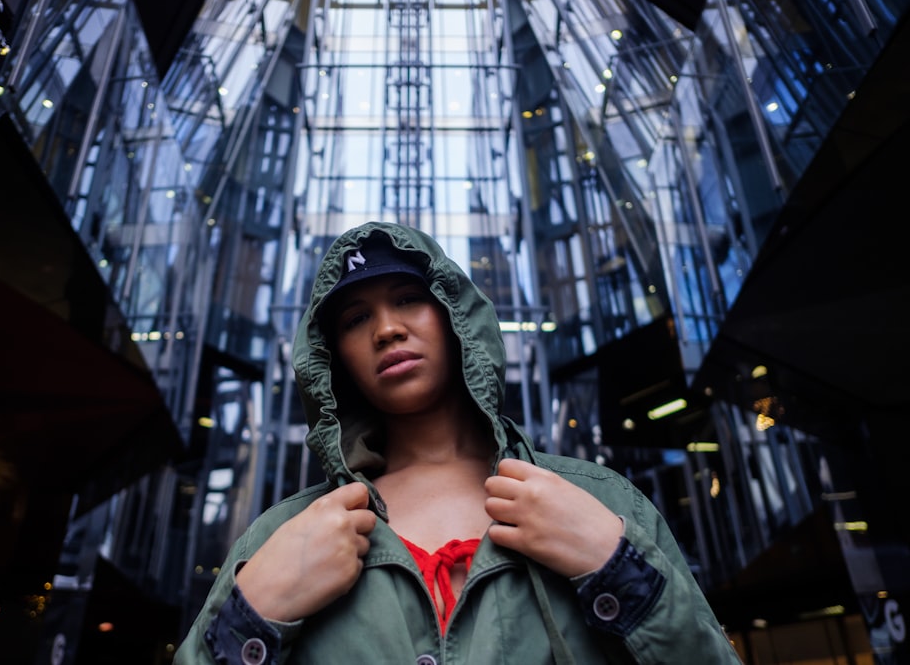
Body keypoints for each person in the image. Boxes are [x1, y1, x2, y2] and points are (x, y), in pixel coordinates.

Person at [174, 221, 741, 664]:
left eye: (407, 298)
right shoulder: (278, 539)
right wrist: (254, 616)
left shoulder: (604, 505)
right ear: (334, 358)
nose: (386, 329)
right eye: (354, 318)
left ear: (454, 317)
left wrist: (615, 570)